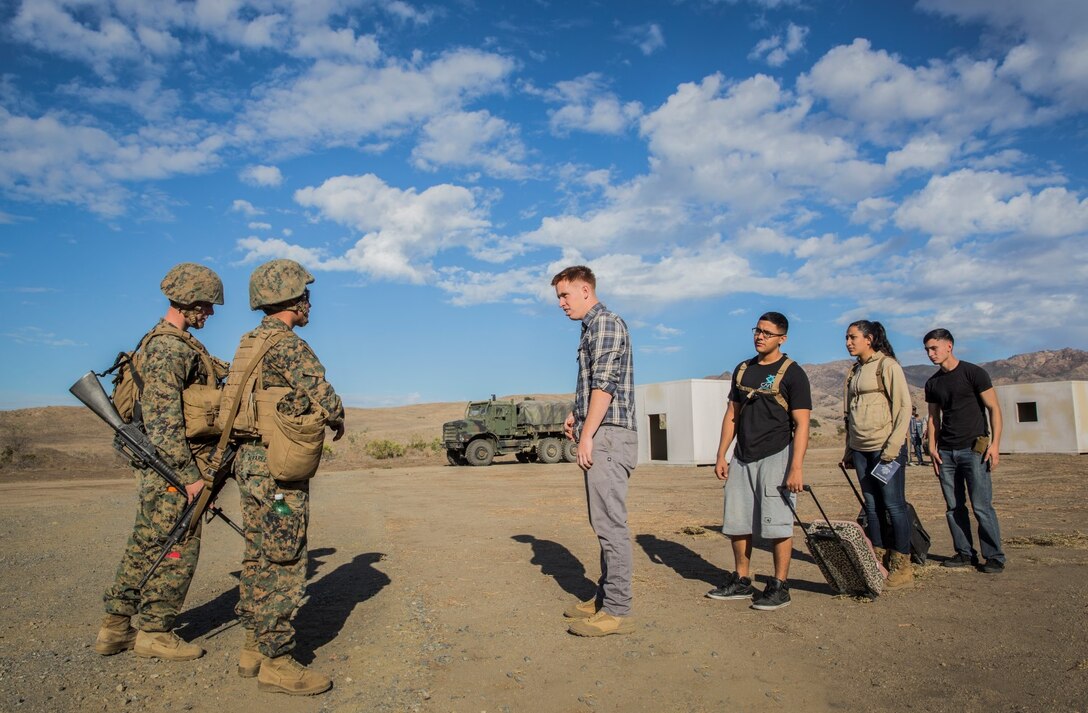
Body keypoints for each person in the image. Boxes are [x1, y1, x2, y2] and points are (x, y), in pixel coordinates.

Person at [95, 263, 225, 661]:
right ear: (188, 301)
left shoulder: (165, 341)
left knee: (146, 543)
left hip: (163, 466)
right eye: (205, 304)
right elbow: (164, 420)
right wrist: (189, 477)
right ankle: (154, 631)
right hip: (173, 467)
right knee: (176, 546)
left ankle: (115, 628)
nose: (210, 313)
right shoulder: (169, 347)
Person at [227, 259, 346, 694]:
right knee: (285, 558)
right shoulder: (287, 345)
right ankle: (277, 661)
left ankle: (253, 647)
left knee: (257, 553)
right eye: (306, 296)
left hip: (250, 463)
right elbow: (324, 395)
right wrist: (338, 416)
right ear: (293, 299)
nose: (310, 304)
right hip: (279, 468)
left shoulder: (248, 342)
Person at [552, 265, 638, 637]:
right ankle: (605, 596)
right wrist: (577, 414)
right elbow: (595, 384)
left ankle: (617, 610)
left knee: (609, 524)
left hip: (609, 436)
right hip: (600, 429)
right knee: (602, 521)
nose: (561, 304)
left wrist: (588, 434)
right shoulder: (592, 328)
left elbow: (605, 384)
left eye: (564, 295)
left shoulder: (604, 323)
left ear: (585, 290)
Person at [707, 312, 811, 611]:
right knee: (737, 520)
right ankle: (741, 579)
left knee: (778, 522)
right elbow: (732, 415)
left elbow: (802, 424)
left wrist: (796, 467)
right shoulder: (743, 369)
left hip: (777, 455)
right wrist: (721, 454)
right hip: (742, 456)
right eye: (757, 330)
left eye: (767, 332)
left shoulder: (793, 373)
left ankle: (780, 585)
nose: (760, 336)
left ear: (782, 338)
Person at [923, 328, 1006, 573]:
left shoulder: (974, 373)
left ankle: (994, 556)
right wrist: (932, 448)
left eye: (933, 348)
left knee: (981, 505)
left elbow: (994, 409)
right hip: (946, 452)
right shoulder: (933, 382)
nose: (930, 353)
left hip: (974, 449)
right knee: (953, 506)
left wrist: (995, 445)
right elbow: (932, 418)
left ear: (949, 345)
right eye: (927, 349)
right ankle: (964, 552)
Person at [841, 320, 915, 589]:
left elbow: (904, 407)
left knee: (894, 505)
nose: (848, 342)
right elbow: (849, 414)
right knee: (871, 506)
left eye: (853, 337)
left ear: (869, 339)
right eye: (847, 338)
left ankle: (902, 566)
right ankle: (878, 561)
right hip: (861, 450)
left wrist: (894, 447)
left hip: (886, 449)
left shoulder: (888, 366)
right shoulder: (854, 372)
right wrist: (849, 449)